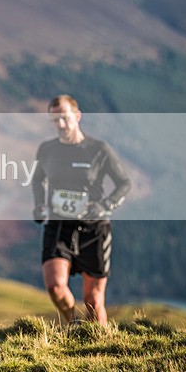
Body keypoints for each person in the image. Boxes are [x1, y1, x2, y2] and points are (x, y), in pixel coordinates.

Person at [32, 94, 131, 326]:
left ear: (77, 116)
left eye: (65, 118)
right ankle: (73, 324)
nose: (61, 125)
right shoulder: (47, 149)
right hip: (58, 226)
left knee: (93, 300)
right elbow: (37, 180)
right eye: (55, 120)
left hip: (94, 229)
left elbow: (124, 183)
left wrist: (105, 205)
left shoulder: (98, 149)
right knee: (56, 287)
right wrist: (39, 205)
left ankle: (101, 344)